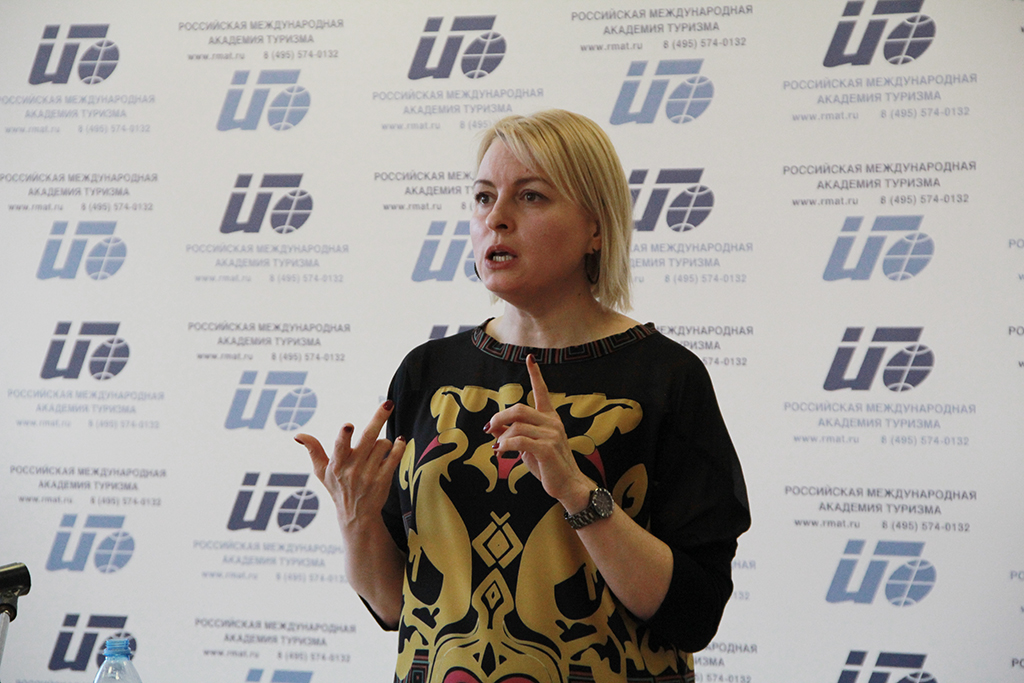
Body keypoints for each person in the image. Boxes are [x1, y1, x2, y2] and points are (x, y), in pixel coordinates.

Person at [296, 109, 750, 683]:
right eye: (484, 197)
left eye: (531, 197)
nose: (497, 219)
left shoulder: (666, 377)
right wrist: (356, 518)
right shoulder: (428, 371)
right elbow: (395, 606)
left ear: (596, 229)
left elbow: (694, 614)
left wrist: (576, 491)